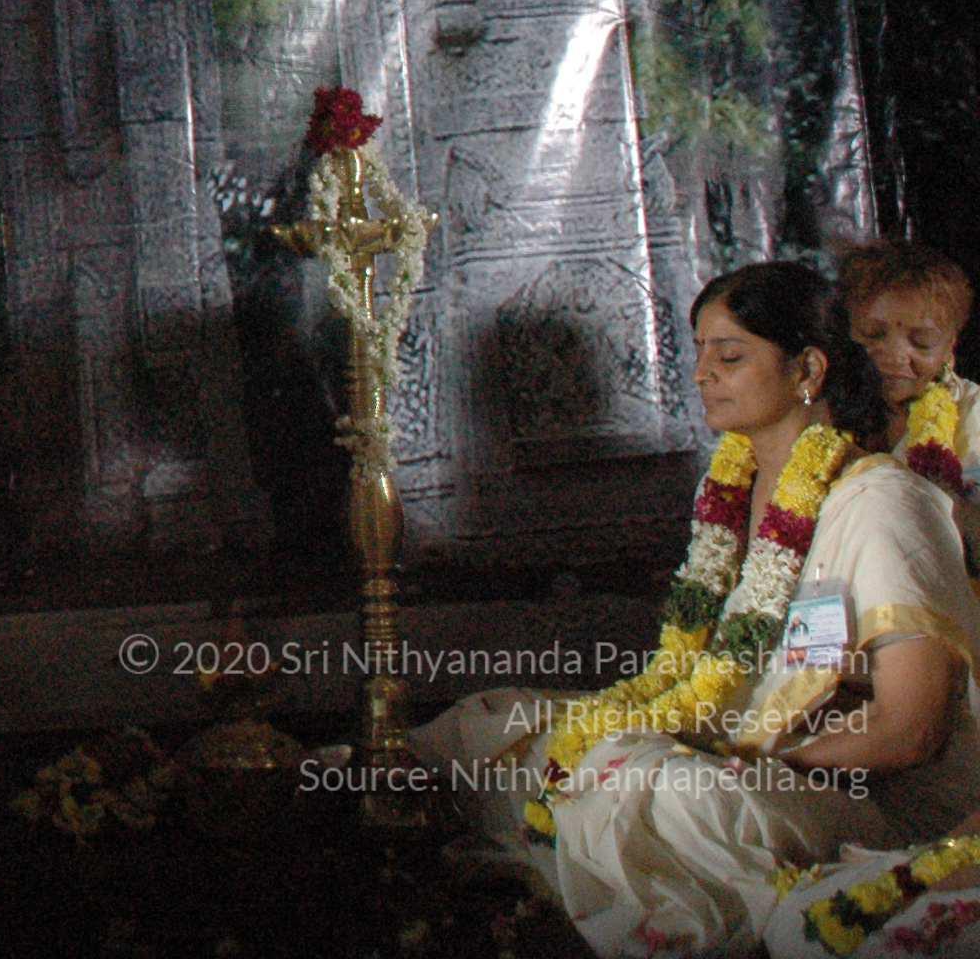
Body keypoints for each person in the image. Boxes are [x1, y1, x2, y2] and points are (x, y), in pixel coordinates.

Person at [415, 262, 980, 958]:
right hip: (738, 752)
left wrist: (755, 756)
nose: (702, 373)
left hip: (865, 795)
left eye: (730, 356)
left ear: (808, 369)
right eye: (700, 352)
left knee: (670, 793)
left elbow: (911, 730)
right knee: (491, 725)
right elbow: (707, 684)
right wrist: (710, 744)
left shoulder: (883, 501)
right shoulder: (728, 492)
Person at [844, 240, 980, 566]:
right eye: (873, 334)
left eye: (922, 342)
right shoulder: (822, 411)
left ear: (950, 346)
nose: (895, 357)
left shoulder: (975, 413)